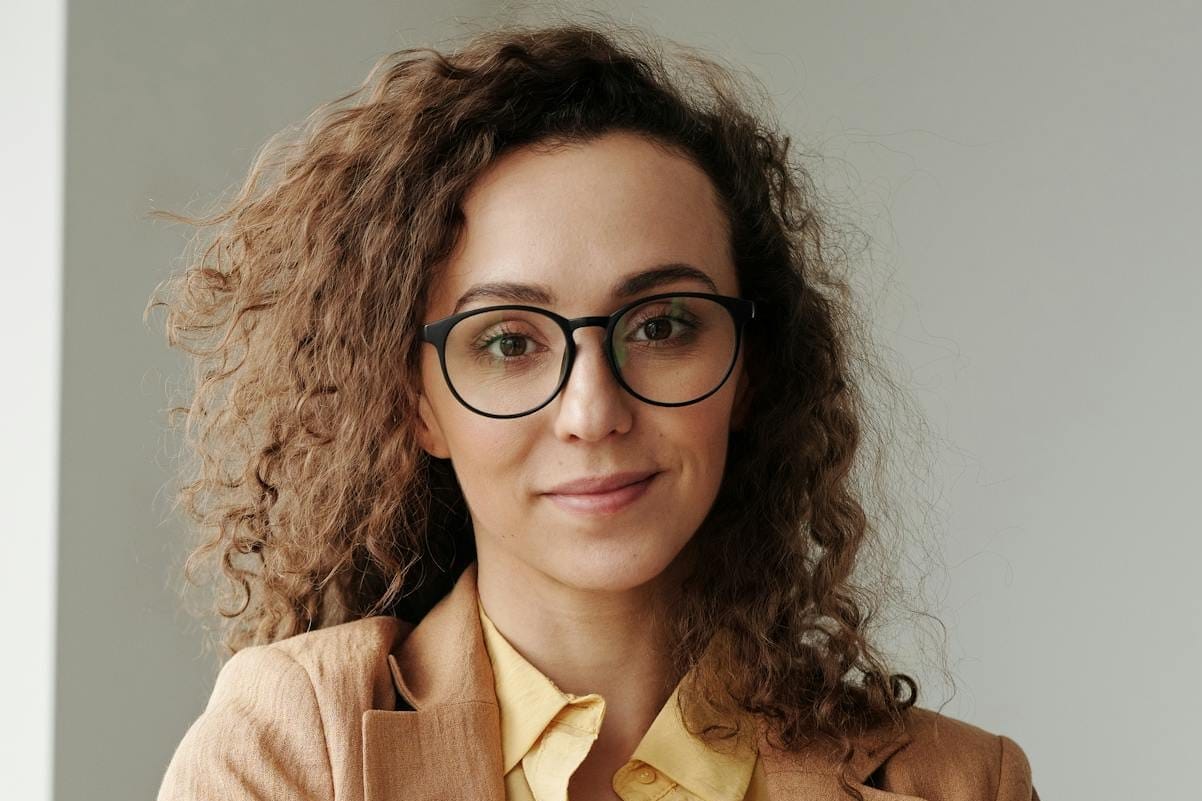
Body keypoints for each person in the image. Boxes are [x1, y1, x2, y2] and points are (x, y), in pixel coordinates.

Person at [148, 17, 1039, 801]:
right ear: (418, 404)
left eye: (662, 324)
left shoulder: (966, 786)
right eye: (507, 341)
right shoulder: (286, 751)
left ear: (750, 371)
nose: (592, 410)